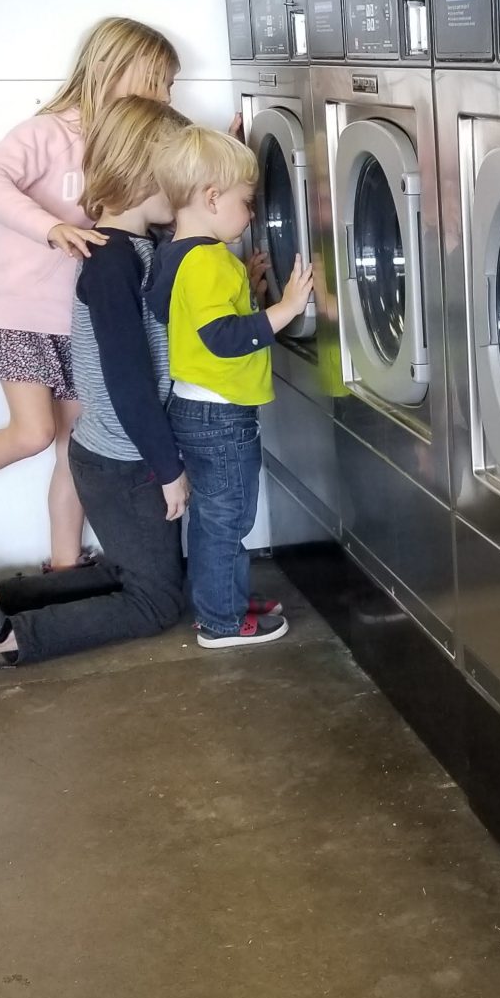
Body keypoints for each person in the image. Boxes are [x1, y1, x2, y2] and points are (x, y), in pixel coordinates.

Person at [0, 95, 220, 674]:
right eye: (182, 178)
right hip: (126, 460)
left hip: (111, 453)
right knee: (156, 602)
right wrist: (169, 468)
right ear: (148, 174)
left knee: (124, 574)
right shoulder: (115, 260)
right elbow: (128, 380)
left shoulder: (132, 248)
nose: (188, 192)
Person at [0, 17, 181, 572]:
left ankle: (65, 568)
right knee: (34, 432)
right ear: (110, 70)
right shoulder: (50, 132)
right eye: (159, 81)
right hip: (23, 313)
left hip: (81, 325)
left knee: (74, 450)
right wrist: (49, 227)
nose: (168, 95)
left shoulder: (131, 146)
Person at [151, 125, 314, 649]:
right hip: (222, 415)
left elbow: (171, 312)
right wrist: (283, 309)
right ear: (212, 198)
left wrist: (244, 281)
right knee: (228, 519)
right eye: (247, 203)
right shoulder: (206, 260)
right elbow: (221, 338)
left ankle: (223, 598)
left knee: (216, 518)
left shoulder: (177, 253)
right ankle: (220, 621)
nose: (251, 216)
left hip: (194, 408)